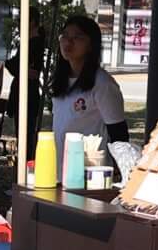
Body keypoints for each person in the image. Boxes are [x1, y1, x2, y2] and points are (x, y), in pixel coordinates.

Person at [47, 11, 127, 166]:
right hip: (60, 166)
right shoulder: (60, 80)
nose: (68, 42)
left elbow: (119, 133)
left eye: (77, 37)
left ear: (91, 45)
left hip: (90, 170)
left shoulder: (102, 83)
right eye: (64, 36)